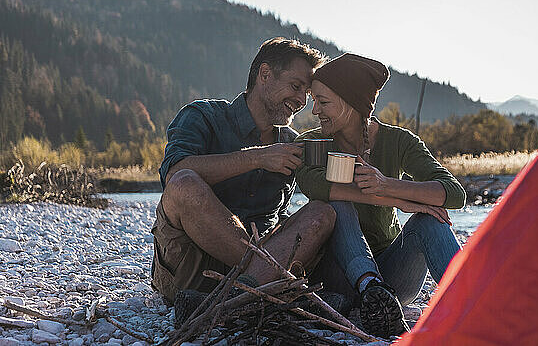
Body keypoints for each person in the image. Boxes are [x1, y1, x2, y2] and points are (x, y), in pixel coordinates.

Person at [151, 37, 336, 326]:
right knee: (185, 183)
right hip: (191, 270)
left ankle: (232, 302)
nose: (302, 100)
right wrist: (258, 158)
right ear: (265, 75)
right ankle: (269, 292)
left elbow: (283, 215)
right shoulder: (202, 115)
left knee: (322, 212)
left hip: (258, 263)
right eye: (296, 86)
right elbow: (174, 176)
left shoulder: (291, 144)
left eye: (307, 93)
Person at [295, 53, 466, 338]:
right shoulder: (312, 143)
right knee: (336, 201)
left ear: (352, 103)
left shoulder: (399, 141)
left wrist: (387, 185)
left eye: (323, 102)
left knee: (430, 222)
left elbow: (453, 193)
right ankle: (369, 287)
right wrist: (405, 202)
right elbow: (314, 186)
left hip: (393, 277)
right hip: (336, 276)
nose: (314, 111)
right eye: (314, 101)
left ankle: (471, 302)